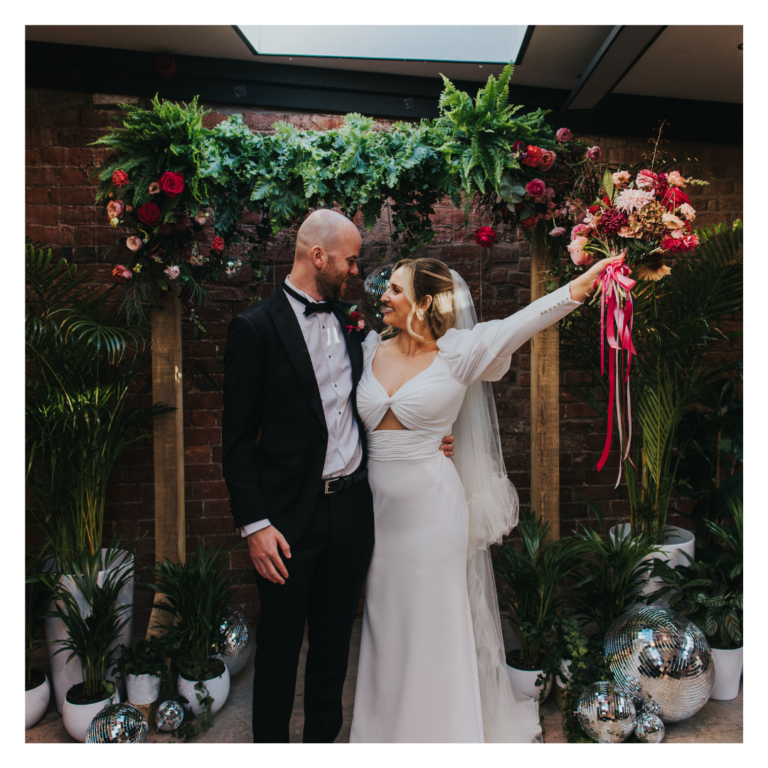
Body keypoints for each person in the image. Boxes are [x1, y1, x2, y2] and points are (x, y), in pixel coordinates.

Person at [349, 253, 624, 742]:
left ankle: (445, 737)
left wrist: (580, 287)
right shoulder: (369, 346)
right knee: (386, 626)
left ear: (424, 300)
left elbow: (526, 320)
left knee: (436, 624)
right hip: (377, 517)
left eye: (394, 289)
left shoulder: (461, 352)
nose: (383, 297)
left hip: (434, 513)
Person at [222, 209, 455, 743]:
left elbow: (382, 402)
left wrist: (425, 439)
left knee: (333, 648)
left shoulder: (355, 325)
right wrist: (255, 524)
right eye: (350, 260)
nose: (356, 272)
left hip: (352, 508)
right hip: (284, 522)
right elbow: (235, 442)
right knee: (279, 652)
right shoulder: (254, 328)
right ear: (317, 256)